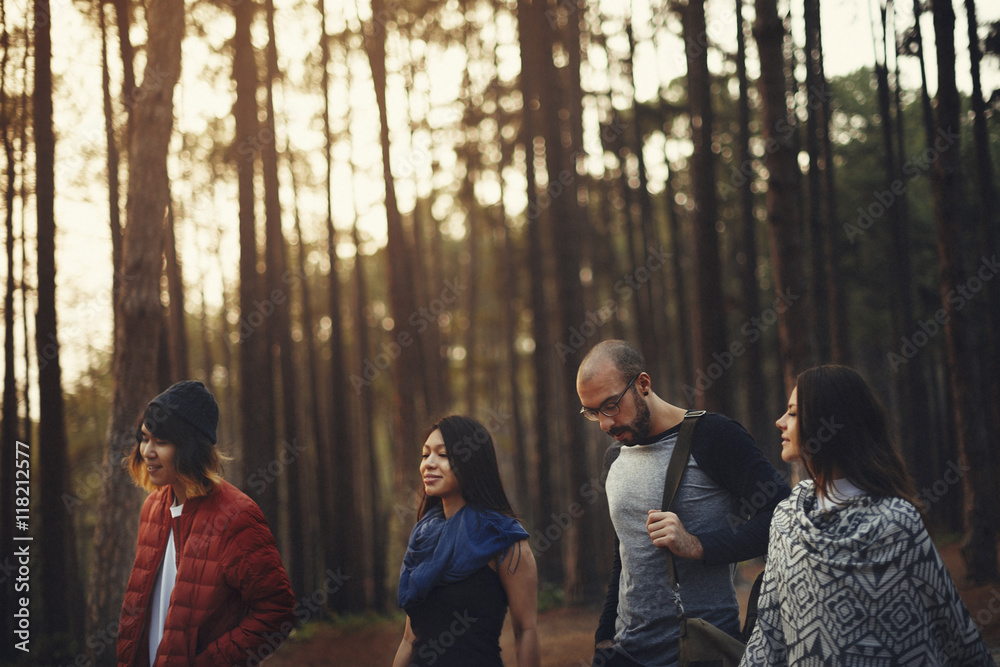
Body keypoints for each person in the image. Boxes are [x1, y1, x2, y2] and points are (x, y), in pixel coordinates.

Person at [741, 364, 993, 665]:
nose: (780, 421)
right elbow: (768, 633)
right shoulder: (786, 519)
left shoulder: (897, 521)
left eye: (793, 413)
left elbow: (951, 626)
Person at [577, 340, 790, 667]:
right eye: (593, 413)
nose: (605, 424)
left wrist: (698, 545)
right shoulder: (614, 457)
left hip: (700, 650)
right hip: (624, 652)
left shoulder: (713, 436)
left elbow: (782, 517)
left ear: (643, 384)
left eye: (610, 405)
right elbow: (626, 553)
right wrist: (604, 636)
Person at [117, 381, 295, 667]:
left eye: (161, 442)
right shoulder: (152, 508)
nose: (147, 451)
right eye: (144, 437)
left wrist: (210, 661)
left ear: (190, 448)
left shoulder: (236, 516)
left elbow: (277, 611)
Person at [393, 415, 540, 667]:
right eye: (425, 454)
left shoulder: (504, 539)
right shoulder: (424, 538)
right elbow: (409, 639)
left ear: (471, 461)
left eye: (443, 454)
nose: (428, 463)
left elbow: (525, 631)